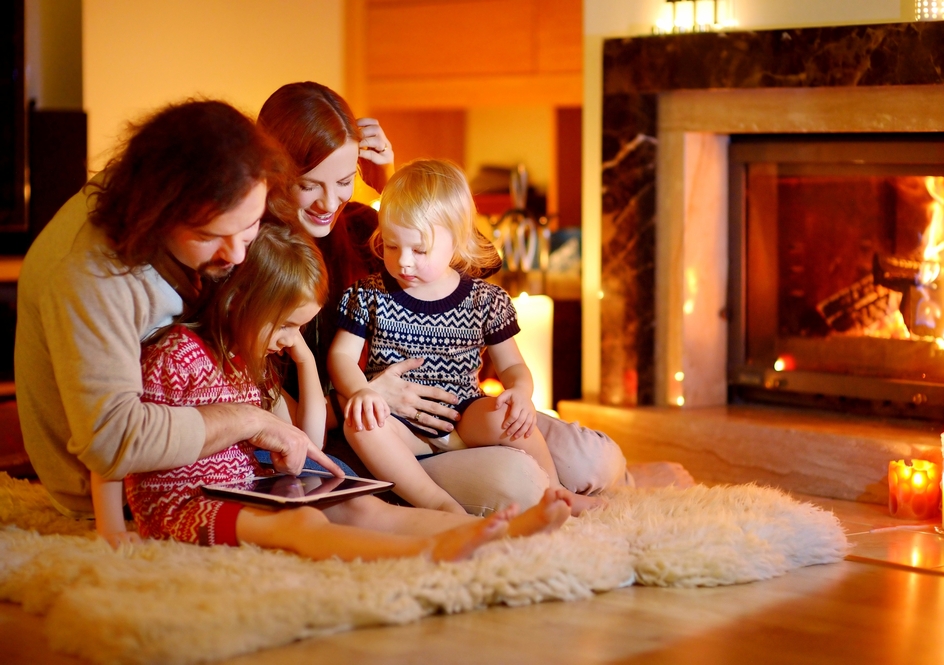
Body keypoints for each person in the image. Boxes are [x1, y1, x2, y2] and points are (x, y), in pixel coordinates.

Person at [256, 82, 693, 514]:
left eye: (345, 180)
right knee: (516, 483)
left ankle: (620, 478)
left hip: (460, 410)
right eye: (312, 185)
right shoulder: (257, 259)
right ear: (277, 174)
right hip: (379, 434)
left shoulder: (361, 226)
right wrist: (366, 394)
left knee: (596, 459)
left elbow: (470, 267)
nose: (330, 201)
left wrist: (389, 188)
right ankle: (511, 495)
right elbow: (297, 422)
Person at [91, 223, 571, 560]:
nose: (288, 339)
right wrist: (112, 528)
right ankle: (429, 552)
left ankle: (498, 535)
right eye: (285, 326)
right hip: (184, 504)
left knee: (361, 507)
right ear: (240, 302)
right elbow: (116, 445)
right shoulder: (176, 355)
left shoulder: (250, 362)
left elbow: (311, 440)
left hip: (248, 489)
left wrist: (301, 359)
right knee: (300, 527)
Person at [15, 100, 345, 519]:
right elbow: (114, 443)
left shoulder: (223, 184)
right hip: (116, 490)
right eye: (211, 236)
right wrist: (250, 421)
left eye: (249, 228)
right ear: (159, 218)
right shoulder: (92, 277)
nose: (237, 256)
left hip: (216, 461)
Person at [329, 159, 604, 517]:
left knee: (509, 416)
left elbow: (513, 366)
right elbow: (341, 357)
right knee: (360, 426)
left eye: (419, 250)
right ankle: (438, 504)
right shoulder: (370, 295)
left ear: (456, 241)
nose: (404, 262)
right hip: (399, 423)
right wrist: (362, 391)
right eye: (392, 246)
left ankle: (555, 493)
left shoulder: (484, 300)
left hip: (465, 416)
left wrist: (520, 394)